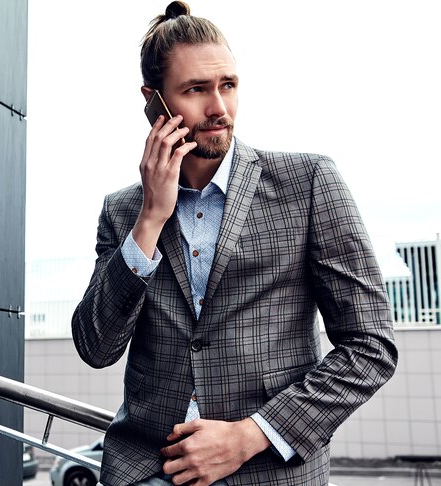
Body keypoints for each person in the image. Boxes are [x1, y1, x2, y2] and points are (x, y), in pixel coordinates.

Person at [72, 2, 398, 485]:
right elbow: (96, 348)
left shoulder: (308, 183)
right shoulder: (123, 211)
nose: (219, 108)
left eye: (228, 84)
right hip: (147, 473)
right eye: (195, 90)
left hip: (267, 472)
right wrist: (151, 219)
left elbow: (372, 346)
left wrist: (251, 434)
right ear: (153, 101)